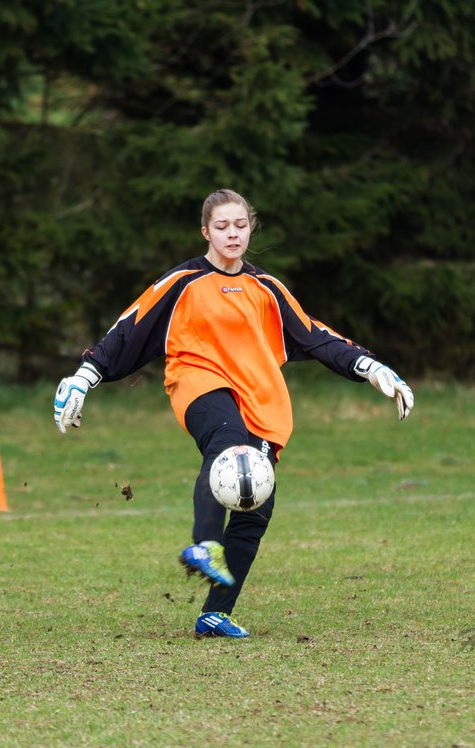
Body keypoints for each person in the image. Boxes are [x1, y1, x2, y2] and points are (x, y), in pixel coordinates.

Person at [53, 188, 414, 638]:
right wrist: (86, 375)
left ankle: (215, 614)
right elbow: (129, 327)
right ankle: (204, 544)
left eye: (240, 226)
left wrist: (369, 366)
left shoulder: (266, 288)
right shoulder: (182, 282)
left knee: (255, 507)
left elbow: (315, 335)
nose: (232, 234)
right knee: (228, 447)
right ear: (206, 232)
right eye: (222, 227)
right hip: (198, 382)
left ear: (251, 228)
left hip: (259, 400)